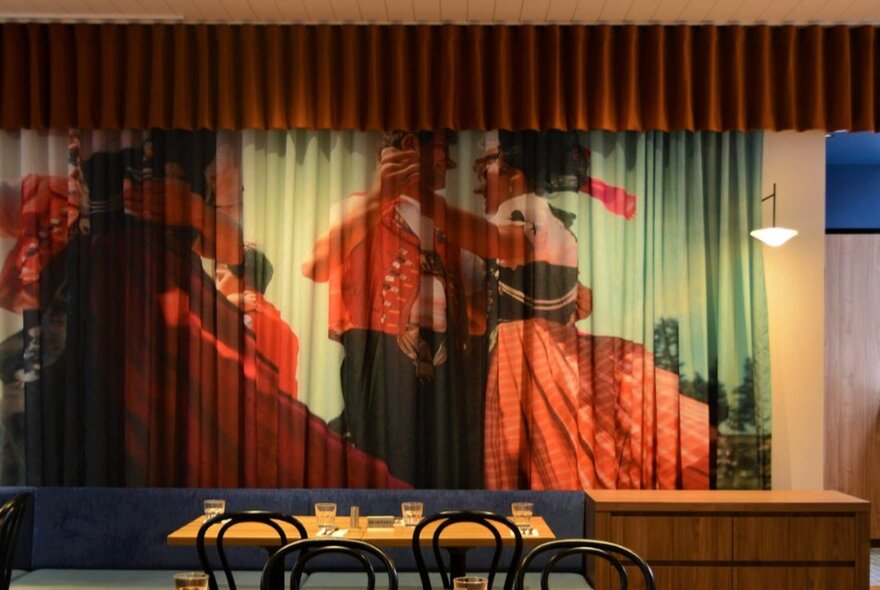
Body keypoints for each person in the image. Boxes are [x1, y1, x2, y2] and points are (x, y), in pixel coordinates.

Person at [479, 130, 709, 490]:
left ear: (514, 176)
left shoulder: (522, 213)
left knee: (551, 457)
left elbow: (513, 257)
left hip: (532, 353)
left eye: (487, 167)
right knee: (552, 455)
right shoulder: (531, 220)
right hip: (525, 350)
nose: (479, 179)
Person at [302, 130, 489, 488]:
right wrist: (380, 196)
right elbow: (317, 266)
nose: (447, 166)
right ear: (408, 147)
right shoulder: (359, 208)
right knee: (381, 459)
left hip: (444, 359)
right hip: (378, 350)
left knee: (439, 464)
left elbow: (478, 289)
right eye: (438, 154)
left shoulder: (445, 221)